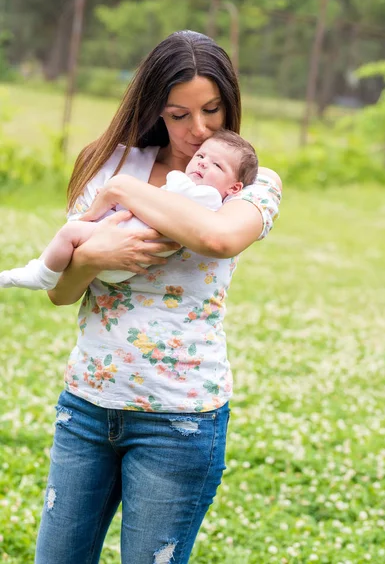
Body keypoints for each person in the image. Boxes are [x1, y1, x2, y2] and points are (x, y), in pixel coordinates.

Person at [33, 30, 282, 564]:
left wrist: (123, 193)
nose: (198, 131)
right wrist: (96, 258)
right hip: (87, 405)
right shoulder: (109, 164)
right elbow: (62, 293)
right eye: (178, 114)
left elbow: (217, 238)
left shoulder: (248, 182)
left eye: (212, 111)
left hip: (179, 419)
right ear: (153, 109)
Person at [0, 130, 258, 289]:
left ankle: (41, 273)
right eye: (201, 156)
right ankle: (45, 269)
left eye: (217, 166)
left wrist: (124, 192)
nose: (202, 164)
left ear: (235, 188)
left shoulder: (205, 194)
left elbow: (167, 195)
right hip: (117, 253)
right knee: (76, 232)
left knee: (71, 232)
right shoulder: (215, 201)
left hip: (123, 254)